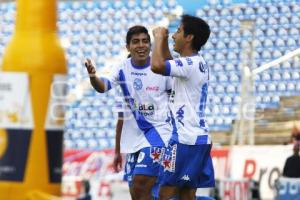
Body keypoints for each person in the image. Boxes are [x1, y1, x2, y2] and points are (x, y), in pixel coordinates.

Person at [85, 25, 172, 200]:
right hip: (133, 143)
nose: (141, 45)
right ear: (128, 47)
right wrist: (93, 77)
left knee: (140, 183)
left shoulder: (161, 69)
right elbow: (104, 89)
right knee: (137, 194)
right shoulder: (122, 69)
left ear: (150, 45)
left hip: (159, 134)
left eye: (145, 41)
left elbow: (175, 99)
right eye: (136, 42)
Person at [151, 15, 215, 199]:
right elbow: (170, 63)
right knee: (187, 195)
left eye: (178, 31)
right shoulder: (197, 62)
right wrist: (163, 41)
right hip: (199, 138)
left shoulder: (189, 64)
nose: (174, 36)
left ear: (189, 37)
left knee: (166, 194)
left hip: (184, 139)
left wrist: (158, 38)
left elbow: (156, 66)